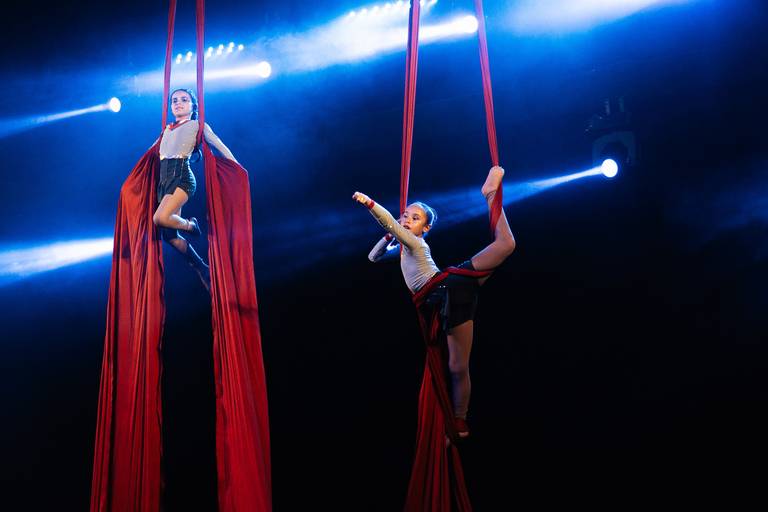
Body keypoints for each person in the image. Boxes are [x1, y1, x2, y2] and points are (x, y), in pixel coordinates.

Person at [352, 165, 516, 437]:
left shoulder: (416, 245)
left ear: (424, 229)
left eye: (414, 218)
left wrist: (370, 204)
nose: (406, 220)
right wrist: (388, 236)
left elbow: (390, 223)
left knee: (506, 245)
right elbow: (373, 257)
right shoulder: (404, 249)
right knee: (456, 366)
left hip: (449, 289)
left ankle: (490, 194)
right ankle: (460, 421)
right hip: (446, 298)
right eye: (405, 215)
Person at [152, 88, 238, 292]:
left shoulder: (198, 126)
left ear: (193, 106)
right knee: (170, 237)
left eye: (184, 100)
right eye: (174, 100)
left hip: (182, 177)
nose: (178, 103)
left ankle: (191, 225)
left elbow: (219, 145)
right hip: (164, 181)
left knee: (160, 218)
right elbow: (150, 155)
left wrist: (236, 168)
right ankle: (201, 266)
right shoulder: (166, 129)